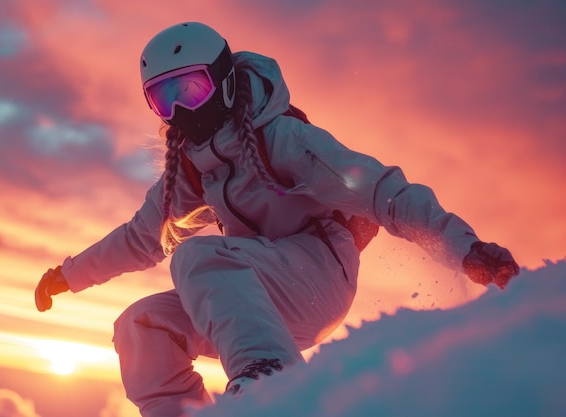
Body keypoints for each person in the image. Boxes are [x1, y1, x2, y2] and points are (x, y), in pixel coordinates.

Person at [34, 22, 519, 417]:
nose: (181, 109)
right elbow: (140, 237)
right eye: (165, 99)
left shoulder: (284, 139)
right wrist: (68, 276)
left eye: (193, 89)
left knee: (198, 255)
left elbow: (381, 191)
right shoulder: (191, 167)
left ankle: (269, 384)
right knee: (140, 326)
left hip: (317, 276)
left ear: (223, 80)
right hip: (247, 298)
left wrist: (465, 247)